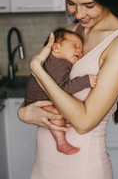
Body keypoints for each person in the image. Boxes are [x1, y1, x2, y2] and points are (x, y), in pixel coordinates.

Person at [18, 0, 118, 179]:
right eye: (71, 3)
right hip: (43, 165)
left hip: (81, 169)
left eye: (88, 5)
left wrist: (37, 68)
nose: (78, 13)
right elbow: (35, 95)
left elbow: (83, 122)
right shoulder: (71, 33)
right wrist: (23, 113)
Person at [24, 27, 97, 155]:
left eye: (81, 47)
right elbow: (61, 89)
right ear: (56, 48)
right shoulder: (59, 64)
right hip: (39, 100)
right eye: (74, 46)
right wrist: (85, 81)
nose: (79, 50)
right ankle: (61, 142)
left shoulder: (55, 61)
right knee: (56, 113)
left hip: (37, 99)